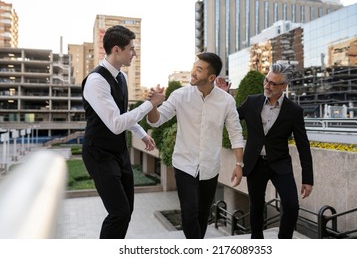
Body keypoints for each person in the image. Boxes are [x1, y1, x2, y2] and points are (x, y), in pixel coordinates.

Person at [147, 52, 245, 239]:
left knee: (203, 213)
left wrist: (239, 165)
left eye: (198, 70)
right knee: (189, 211)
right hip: (184, 164)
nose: (193, 72)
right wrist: (152, 105)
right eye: (194, 67)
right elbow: (156, 121)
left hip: (210, 166)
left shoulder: (226, 101)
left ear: (211, 77)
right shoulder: (180, 95)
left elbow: (236, 134)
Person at [81, 25, 165, 239]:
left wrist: (142, 133)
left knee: (126, 211)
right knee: (119, 213)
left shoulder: (122, 77)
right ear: (116, 49)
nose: (134, 53)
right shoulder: (96, 81)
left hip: (119, 152)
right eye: (131, 48)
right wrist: (150, 104)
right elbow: (116, 124)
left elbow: (123, 113)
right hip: (98, 154)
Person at [216, 63, 313, 239]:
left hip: (280, 164)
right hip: (255, 163)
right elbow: (232, 117)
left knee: (291, 205)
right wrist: (224, 96)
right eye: (266, 81)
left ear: (284, 86)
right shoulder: (252, 101)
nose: (267, 86)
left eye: (272, 84)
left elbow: (303, 146)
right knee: (256, 206)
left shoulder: (294, 111)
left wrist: (308, 179)